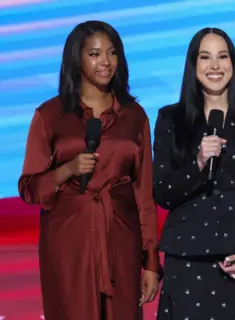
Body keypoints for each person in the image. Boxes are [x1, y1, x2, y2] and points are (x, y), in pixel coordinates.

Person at [18, 21, 160, 320]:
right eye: (94, 54)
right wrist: (66, 170)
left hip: (121, 238)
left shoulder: (135, 116)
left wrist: (150, 262)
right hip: (69, 241)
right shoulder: (50, 115)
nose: (105, 62)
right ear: (77, 60)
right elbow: (30, 189)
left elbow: (144, 195)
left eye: (112, 53)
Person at [153, 27, 235, 320]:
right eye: (205, 57)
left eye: (222, 56)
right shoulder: (170, 118)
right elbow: (163, 193)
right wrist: (198, 163)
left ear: (233, 63)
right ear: (193, 65)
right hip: (186, 260)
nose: (215, 66)